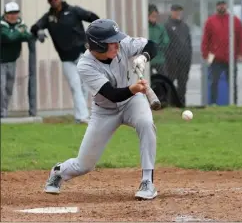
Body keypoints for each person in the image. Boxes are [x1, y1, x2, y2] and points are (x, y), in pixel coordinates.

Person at [44, 19, 158, 200]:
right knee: (84, 165)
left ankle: (147, 181)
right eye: (111, 42)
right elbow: (112, 94)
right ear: (98, 45)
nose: (116, 45)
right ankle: (59, 172)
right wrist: (135, 88)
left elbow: (152, 45)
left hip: (132, 102)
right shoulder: (85, 65)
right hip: (105, 111)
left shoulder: (123, 44)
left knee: (146, 123)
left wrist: (143, 57)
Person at [30, 0, 100, 123]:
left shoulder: (73, 10)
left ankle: (83, 114)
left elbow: (92, 17)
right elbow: (35, 27)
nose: (53, 1)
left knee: (84, 85)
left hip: (82, 53)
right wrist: (38, 32)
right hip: (65, 58)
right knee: (75, 86)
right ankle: (82, 117)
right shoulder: (48, 17)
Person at [201, 0, 242, 105]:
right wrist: (206, 54)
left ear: (226, 6)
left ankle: (234, 103)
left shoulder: (234, 20)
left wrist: (241, 53)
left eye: (223, 5)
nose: (221, 7)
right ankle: (212, 104)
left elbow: (241, 38)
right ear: (216, 7)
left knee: (233, 83)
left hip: (231, 57)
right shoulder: (210, 21)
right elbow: (205, 40)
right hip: (215, 58)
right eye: (219, 5)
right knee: (213, 82)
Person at [1, 2, 33, 118]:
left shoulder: (20, 22)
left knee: (8, 88)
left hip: (12, 60)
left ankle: (3, 110)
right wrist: (19, 32)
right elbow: (8, 37)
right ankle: (2, 113)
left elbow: (28, 36)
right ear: (5, 14)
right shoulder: (2, 24)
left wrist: (18, 33)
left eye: (15, 13)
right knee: (1, 87)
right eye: (10, 13)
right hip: (1, 61)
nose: (13, 16)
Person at [164, 4, 192, 108]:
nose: (178, 13)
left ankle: (181, 104)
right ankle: (170, 103)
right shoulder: (167, 26)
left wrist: (188, 58)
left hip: (184, 61)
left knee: (183, 84)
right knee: (170, 83)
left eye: (179, 11)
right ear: (171, 12)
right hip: (171, 61)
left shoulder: (185, 27)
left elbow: (189, 44)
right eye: (175, 11)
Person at [148, 4, 169, 75]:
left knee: (164, 79)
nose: (154, 18)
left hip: (159, 59)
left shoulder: (160, 28)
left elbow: (166, 41)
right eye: (152, 16)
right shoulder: (144, 28)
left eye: (155, 16)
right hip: (147, 60)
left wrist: (156, 46)